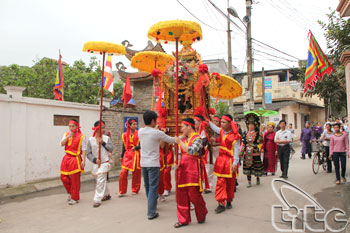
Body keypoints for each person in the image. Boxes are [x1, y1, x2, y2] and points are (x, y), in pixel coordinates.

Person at [139, 110, 176, 220]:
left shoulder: (140, 131)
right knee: (153, 188)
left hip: (143, 163)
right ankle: (151, 212)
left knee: (148, 186)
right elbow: (171, 140)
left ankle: (151, 206)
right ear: (153, 121)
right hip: (153, 164)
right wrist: (181, 137)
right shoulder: (156, 133)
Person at [173, 118, 208, 228]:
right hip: (182, 168)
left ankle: (201, 214)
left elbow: (192, 151)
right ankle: (183, 219)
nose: (181, 128)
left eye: (183, 126)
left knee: (194, 194)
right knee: (181, 194)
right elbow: (179, 152)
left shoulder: (198, 139)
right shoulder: (183, 139)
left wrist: (179, 142)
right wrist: (177, 162)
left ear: (189, 127)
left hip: (193, 168)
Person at [209, 114, 241, 213]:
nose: (221, 124)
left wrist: (235, 163)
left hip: (230, 162)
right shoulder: (222, 131)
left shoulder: (236, 136)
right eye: (221, 122)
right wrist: (207, 119)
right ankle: (221, 203)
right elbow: (213, 127)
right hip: (221, 160)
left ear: (229, 123)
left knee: (230, 184)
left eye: (223, 122)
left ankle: (229, 200)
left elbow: (236, 151)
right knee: (220, 182)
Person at [86, 121, 113, 208]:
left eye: (104, 127)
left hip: (105, 162)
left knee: (101, 179)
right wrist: (94, 159)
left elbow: (111, 148)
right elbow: (88, 153)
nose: (104, 129)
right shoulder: (91, 140)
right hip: (96, 163)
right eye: (102, 127)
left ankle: (97, 199)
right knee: (99, 180)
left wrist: (103, 143)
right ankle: (107, 194)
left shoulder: (107, 138)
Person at [60, 119, 87, 205]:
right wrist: (68, 136)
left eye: (73, 126)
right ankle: (70, 192)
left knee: (75, 180)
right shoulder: (66, 134)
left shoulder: (82, 137)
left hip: (75, 159)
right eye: (70, 126)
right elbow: (62, 144)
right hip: (66, 158)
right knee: (63, 177)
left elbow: (84, 149)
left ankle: (75, 198)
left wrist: (83, 160)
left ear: (77, 127)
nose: (71, 128)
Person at [119, 119, 141, 197]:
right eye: (133, 124)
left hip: (136, 154)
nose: (135, 126)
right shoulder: (124, 135)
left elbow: (143, 144)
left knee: (136, 173)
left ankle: (135, 189)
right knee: (123, 173)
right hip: (127, 155)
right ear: (129, 125)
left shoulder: (139, 134)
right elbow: (123, 146)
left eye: (136, 124)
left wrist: (137, 147)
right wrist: (121, 156)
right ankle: (122, 191)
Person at [241, 113, 263, 188]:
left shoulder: (257, 134)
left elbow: (260, 142)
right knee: (247, 167)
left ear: (255, 126)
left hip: (255, 152)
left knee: (256, 166)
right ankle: (249, 182)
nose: (250, 127)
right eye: (249, 125)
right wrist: (241, 152)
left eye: (252, 125)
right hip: (247, 153)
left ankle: (257, 178)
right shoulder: (245, 134)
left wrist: (260, 135)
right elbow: (244, 143)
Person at [194, 115, 210, 193]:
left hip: (203, 153)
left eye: (196, 121)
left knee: (207, 169)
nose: (194, 123)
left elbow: (204, 141)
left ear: (200, 122)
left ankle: (207, 186)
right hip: (196, 155)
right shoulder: (194, 131)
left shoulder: (204, 132)